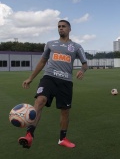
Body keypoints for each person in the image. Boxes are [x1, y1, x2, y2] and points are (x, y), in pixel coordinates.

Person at [18, 20, 88, 149]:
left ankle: (62, 139)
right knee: (40, 101)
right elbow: (42, 62)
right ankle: (29, 135)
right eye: (59, 27)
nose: (61, 29)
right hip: (49, 78)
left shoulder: (77, 47)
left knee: (65, 111)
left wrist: (82, 71)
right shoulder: (50, 44)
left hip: (66, 81)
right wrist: (30, 78)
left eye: (63, 26)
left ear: (69, 29)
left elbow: (85, 64)